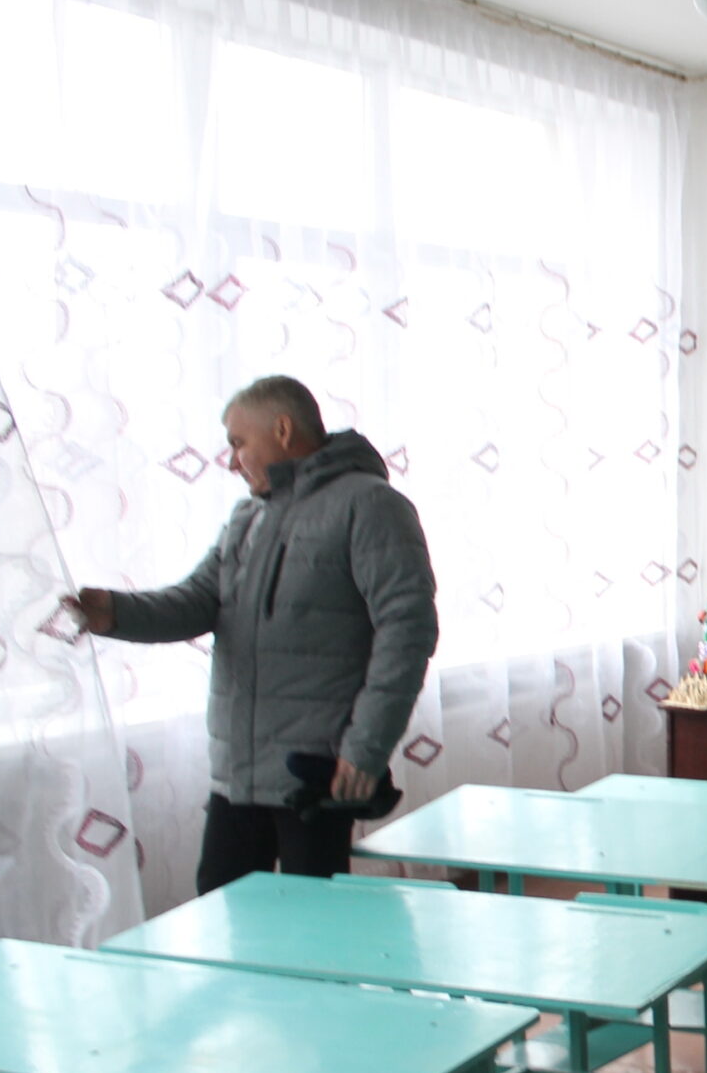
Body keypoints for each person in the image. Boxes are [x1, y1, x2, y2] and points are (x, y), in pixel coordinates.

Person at [65, 376, 437, 893]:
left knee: (315, 925)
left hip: (318, 769)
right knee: (223, 914)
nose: (231, 460)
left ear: (282, 431)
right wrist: (115, 614)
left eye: (238, 442)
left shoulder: (371, 505)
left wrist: (366, 748)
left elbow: (407, 630)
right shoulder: (248, 516)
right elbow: (198, 601)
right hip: (238, 773)